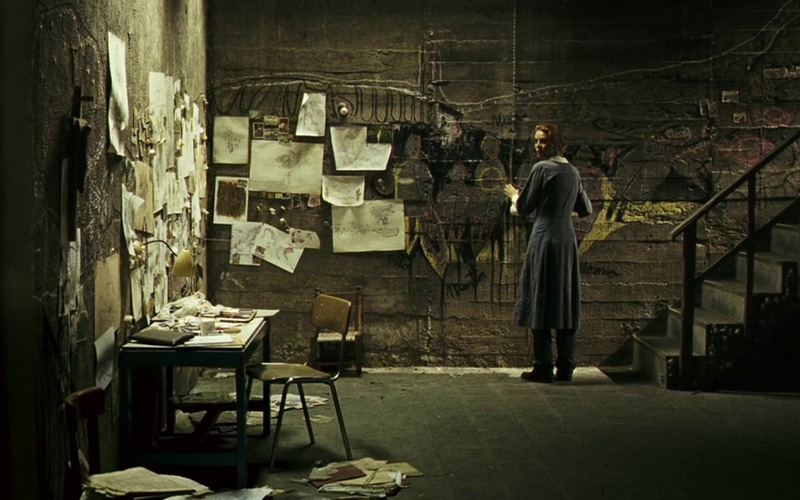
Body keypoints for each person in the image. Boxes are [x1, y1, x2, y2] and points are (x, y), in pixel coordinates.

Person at [504, 123, 592, 383]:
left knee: (539, 296)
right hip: (566, 239)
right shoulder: (573, 171)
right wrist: (562, 212)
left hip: (544, 238)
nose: (537, 146)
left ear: (555, 143)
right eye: (536, 141)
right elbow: (585, 208)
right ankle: (566, 367)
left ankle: (543, 366)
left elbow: (524, 207)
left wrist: (514, 195)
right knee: (565, 299)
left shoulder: (541, 169)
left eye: (542, 141)